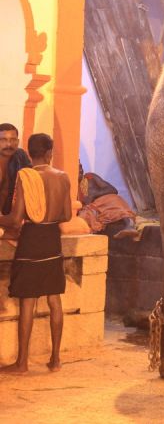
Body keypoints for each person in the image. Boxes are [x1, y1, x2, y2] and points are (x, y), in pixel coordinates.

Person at [0, 133, 72, 374]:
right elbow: (67, 216)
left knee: (28, 303)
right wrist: (47, 216)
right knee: (54, 300)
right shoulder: (63, 177)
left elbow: (15, 218)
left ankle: (22, 363)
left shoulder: (26, 176)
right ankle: (55, 360)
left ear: (29, 153)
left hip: (31, 240)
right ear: (50, 153)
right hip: (52, 239)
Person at [0, 123, 32, 216]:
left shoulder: (20, 156)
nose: (9, 144)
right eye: (3, 140)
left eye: (13, 140)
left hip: (12, 218)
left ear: (17, 142)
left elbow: (32, 179)